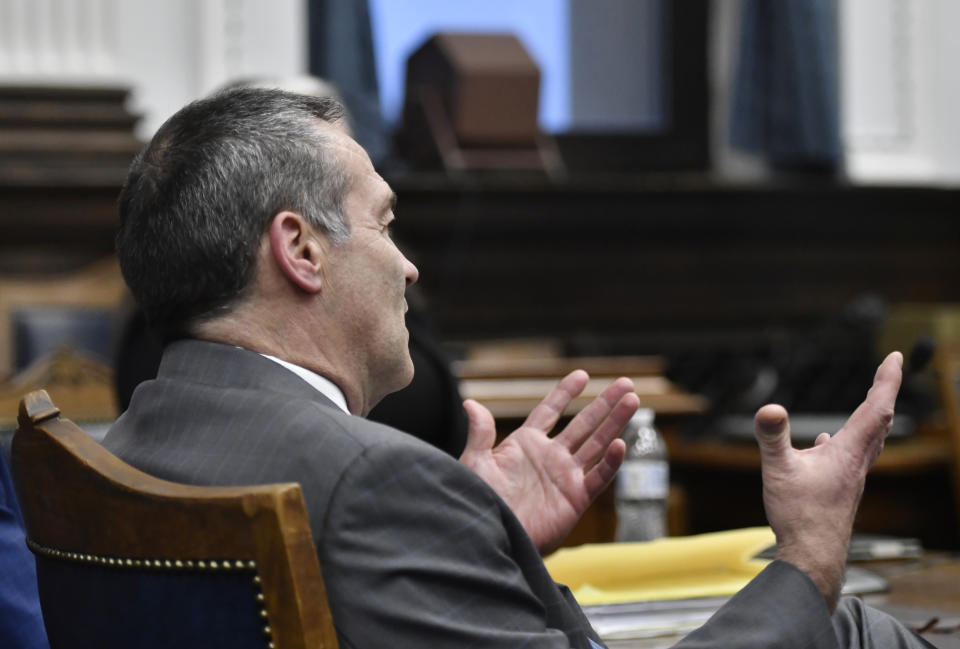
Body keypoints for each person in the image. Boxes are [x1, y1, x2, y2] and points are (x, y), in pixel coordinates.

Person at [104, 88, 930, 649]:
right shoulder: (368, 483)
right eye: (386, 224)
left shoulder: (126, 443)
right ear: (301, 249)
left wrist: (477, 537)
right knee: (850, 624)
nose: (408, 266)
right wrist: (810, 556)